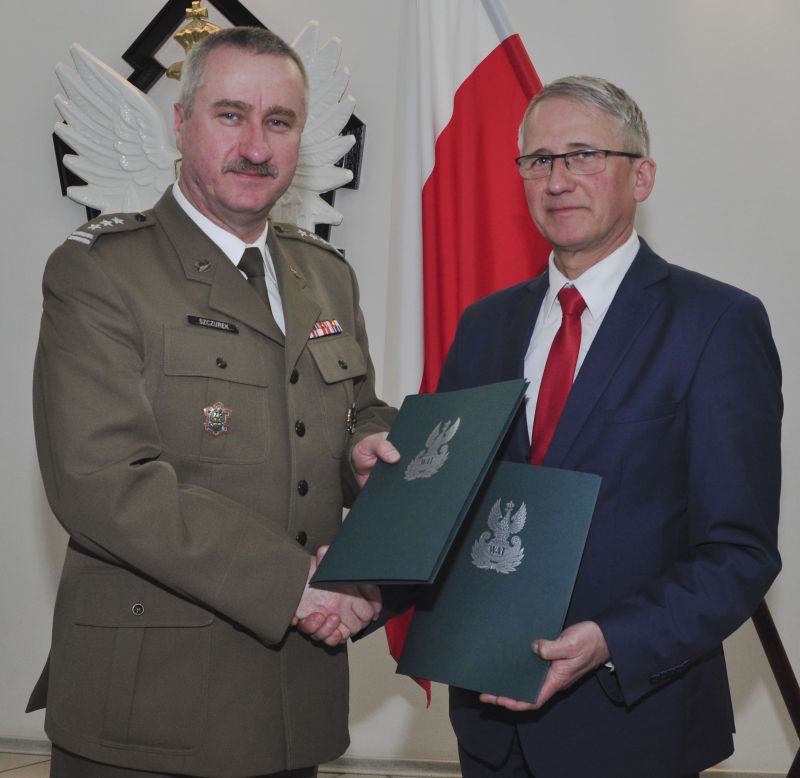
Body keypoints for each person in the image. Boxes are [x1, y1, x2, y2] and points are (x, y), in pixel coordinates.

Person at [29, 26, 398, 778]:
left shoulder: (326, 275)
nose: (256, 146)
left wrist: (369, 449)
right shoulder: (103, 273)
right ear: (181, 121)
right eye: (231, 115)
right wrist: (297, 586)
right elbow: (101, 482)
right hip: (149, 708)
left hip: (292, 705)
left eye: (279, 121)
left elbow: (350, 413)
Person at [436, 76, 782, 778]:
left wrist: (610, 640)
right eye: (539, 160)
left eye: (584, 155)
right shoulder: (483, 326)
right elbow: (445, 510)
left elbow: (738, 552)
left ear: (641, 176)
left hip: (634, 727)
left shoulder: (716, 324)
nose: (558, 180)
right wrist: (360, 588)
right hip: (489, 729)